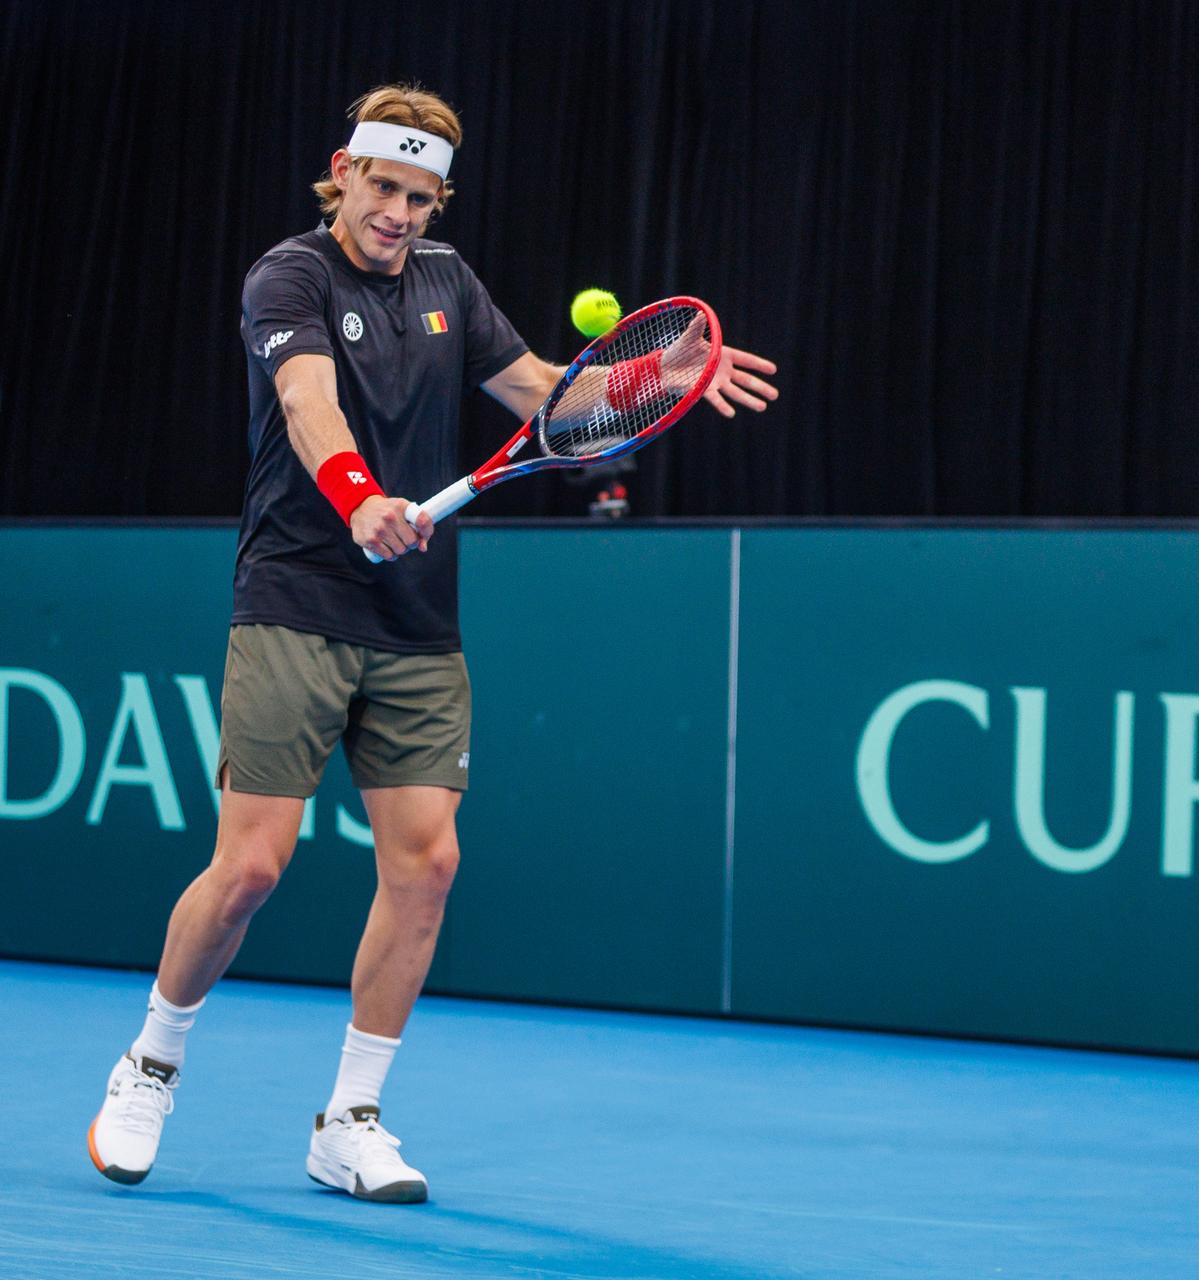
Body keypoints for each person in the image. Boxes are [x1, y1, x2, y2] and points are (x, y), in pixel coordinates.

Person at [86, 84, 780, 1203]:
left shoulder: (452, 282)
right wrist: (360, 497)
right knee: (253, 864)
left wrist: (663, 377)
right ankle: (151, 1062)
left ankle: (349, 1119)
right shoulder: (290, 275)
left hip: (413, 621)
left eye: (422, 195)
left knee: (429, 865)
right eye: (385, 188)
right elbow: (309, 403)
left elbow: (552, 394)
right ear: (343, 174)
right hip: (296, 596)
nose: (401, 213)